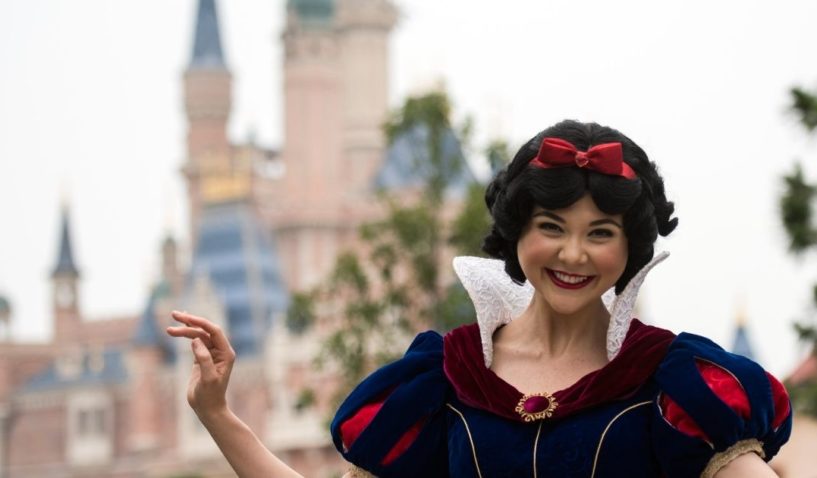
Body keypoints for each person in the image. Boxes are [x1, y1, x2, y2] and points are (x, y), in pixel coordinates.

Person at [167, 120, 791, 477]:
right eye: (552, 228)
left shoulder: (674, 381)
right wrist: (220, 414)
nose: (573, 255)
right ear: (517, 234)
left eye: (600, 234)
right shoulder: (443, 380)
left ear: (629, 251)